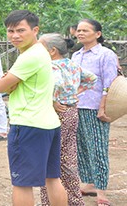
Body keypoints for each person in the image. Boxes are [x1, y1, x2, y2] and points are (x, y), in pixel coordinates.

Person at [0, 10, 67, 206]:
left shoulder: (29, 56)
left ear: (35, 30)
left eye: (20, 30)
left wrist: (8, 82)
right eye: (10, 31)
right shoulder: (41, 51)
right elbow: (9, 83)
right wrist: (11, 82)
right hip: (48, 124)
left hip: (28, 124)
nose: (15, 36)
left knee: (22, 183)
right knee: (52, 178)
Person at [39, 34, 97, 206]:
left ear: (52, 51)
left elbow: (54, 84)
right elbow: (91, 79)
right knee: (68, 158)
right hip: (72, 113)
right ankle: (74, 201)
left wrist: (53, 101)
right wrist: (74, 93)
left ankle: (49, 201)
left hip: (57, 114)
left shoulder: (51, 67)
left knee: (49, 161)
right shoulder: (71, 64)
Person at [71, 19, 119, 206]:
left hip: (95, 107)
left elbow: (109, 83)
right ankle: (90, 183)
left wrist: (103, 107)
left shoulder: (105, 54)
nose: (80, 33)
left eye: (85, 30)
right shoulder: (76, 55)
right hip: (77, 106)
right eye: (79, 30)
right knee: (82, 147)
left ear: (97, 34)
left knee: (97, 148)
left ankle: (101, 192)